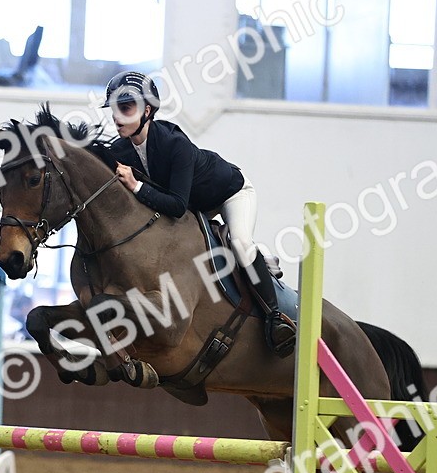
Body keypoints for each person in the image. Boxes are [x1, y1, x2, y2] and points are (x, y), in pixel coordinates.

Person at [101, 71, 295, 357]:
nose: (117, 117)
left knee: (240, 243)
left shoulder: (174, 143)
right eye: (115, 109)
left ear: (148, 111)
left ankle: (275, 317)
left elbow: (177, 205)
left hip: (229, 193)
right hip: (196, 206)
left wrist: (136, 186)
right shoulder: (120, 149)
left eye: (126, 108)